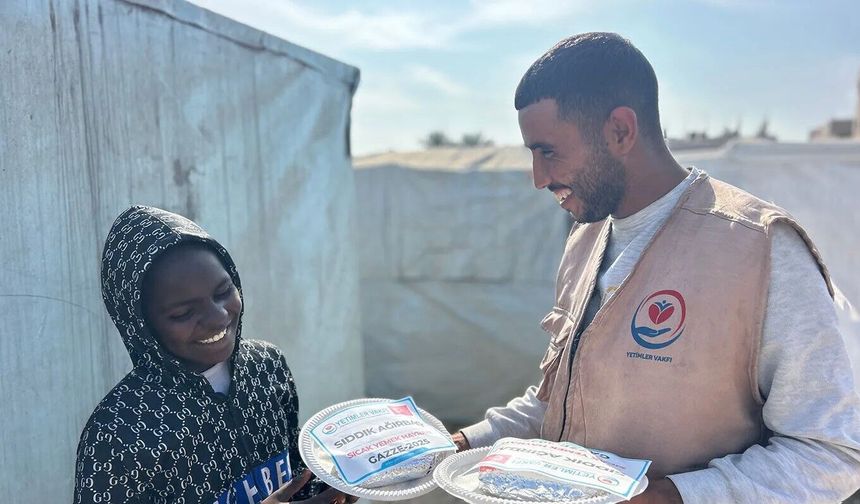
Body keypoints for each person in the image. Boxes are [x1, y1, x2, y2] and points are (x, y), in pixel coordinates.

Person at [451, 33, 860, 503]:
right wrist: (454, 445)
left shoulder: (759, 247)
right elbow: (557, 403)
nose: (538, 178)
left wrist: (670, 496)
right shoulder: (585, 241)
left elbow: (830, 452)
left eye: (548, 152)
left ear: (620, 131)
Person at [74, 206, 352, 504]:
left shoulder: (266, 366)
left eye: (223, 292)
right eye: (183, 313)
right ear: (141, 326)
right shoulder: (118, 433)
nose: (218, 316)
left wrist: (337, 487)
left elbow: (295, 475)